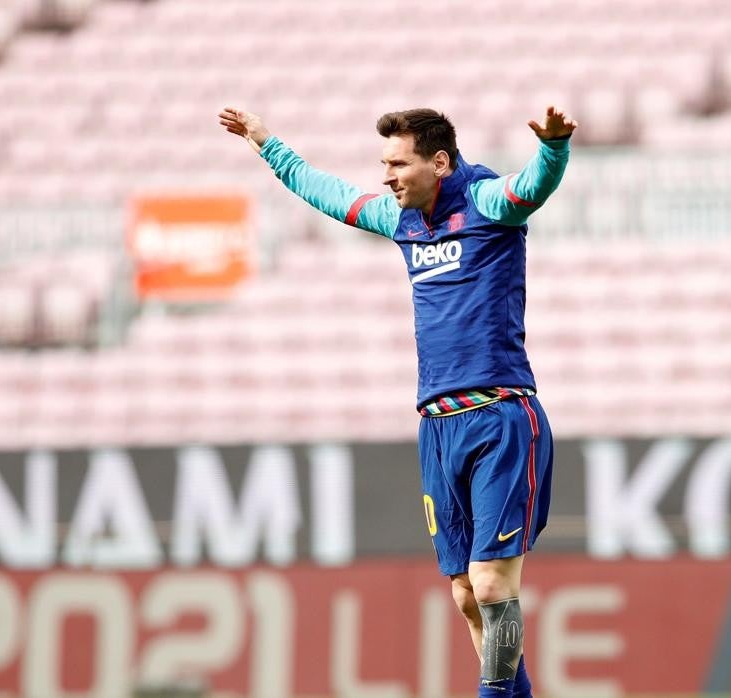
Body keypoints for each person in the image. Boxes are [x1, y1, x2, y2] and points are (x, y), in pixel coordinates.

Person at [219, 105, 576, 698]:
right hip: (437, 427)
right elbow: (329, 194)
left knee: (492, 588)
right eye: (383, 164)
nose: (386, 176)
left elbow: (533, 187)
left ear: (439, 162)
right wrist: (265, 142)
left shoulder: (486, 202)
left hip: (500, 417)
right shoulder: (401, 218)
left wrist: (554, 148)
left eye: (397, 162)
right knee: (466, 595)